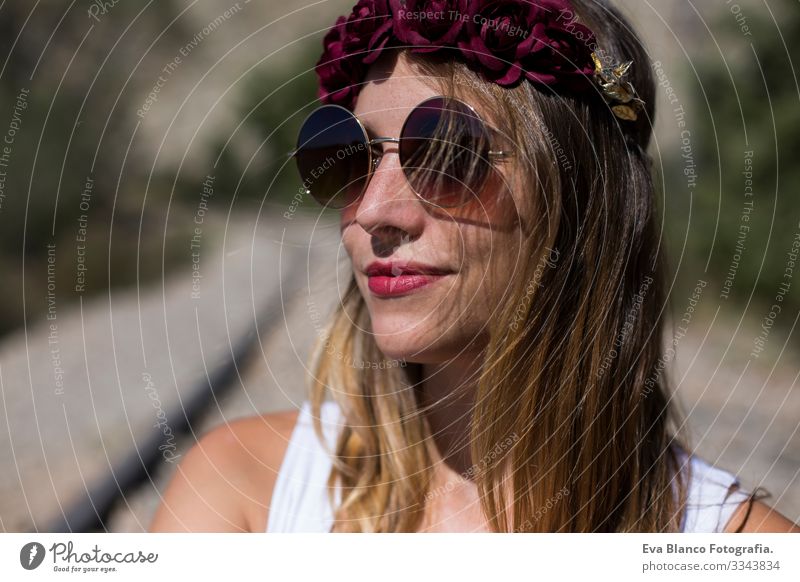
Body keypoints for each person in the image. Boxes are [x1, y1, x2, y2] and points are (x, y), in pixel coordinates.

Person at [150, 0, 799, 533]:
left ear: (580, 200)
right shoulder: (238, 496)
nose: (374, 211)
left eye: (446, 154)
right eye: (350, 155)